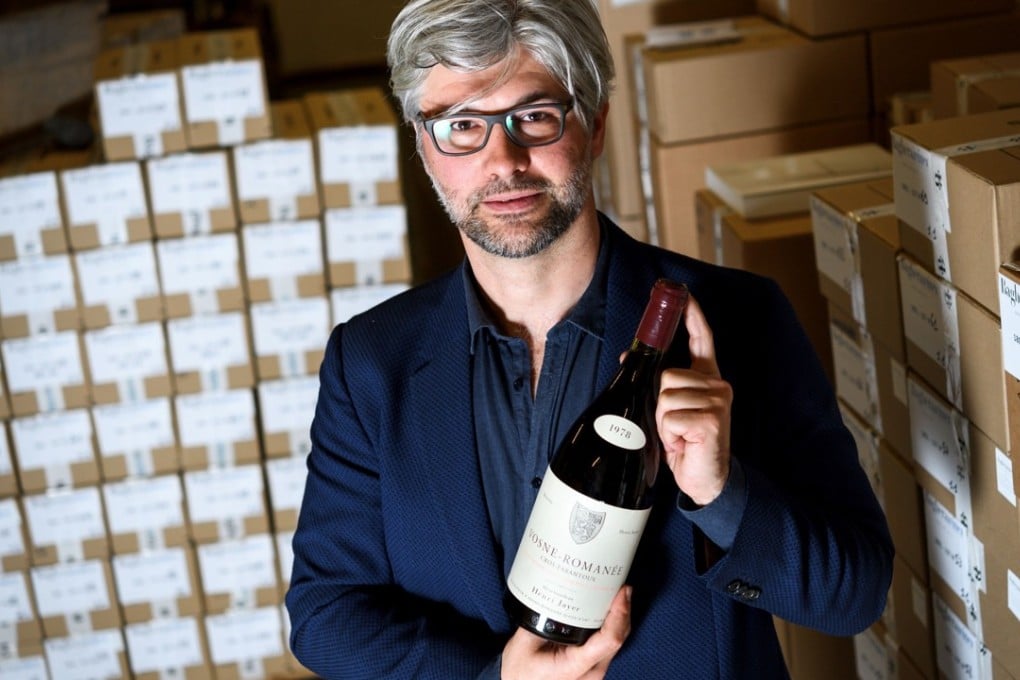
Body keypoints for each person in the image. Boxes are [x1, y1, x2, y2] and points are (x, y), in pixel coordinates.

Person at [285, 1, 894, 677]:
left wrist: (724, 495)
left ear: (596, 123)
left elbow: (856, 595)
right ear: (423, 146)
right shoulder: (371, 364)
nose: (503, 160)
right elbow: (325, 614)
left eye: (535, 117)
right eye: (462, 127)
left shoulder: (737, 318)